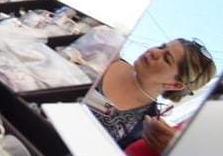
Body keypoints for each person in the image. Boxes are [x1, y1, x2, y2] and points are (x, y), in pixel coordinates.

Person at [84, 38, 215, 150]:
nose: (154, 52)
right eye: (161, 47)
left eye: (167, 59)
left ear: (174, 85)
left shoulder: (145, 126)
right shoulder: (106, 56)